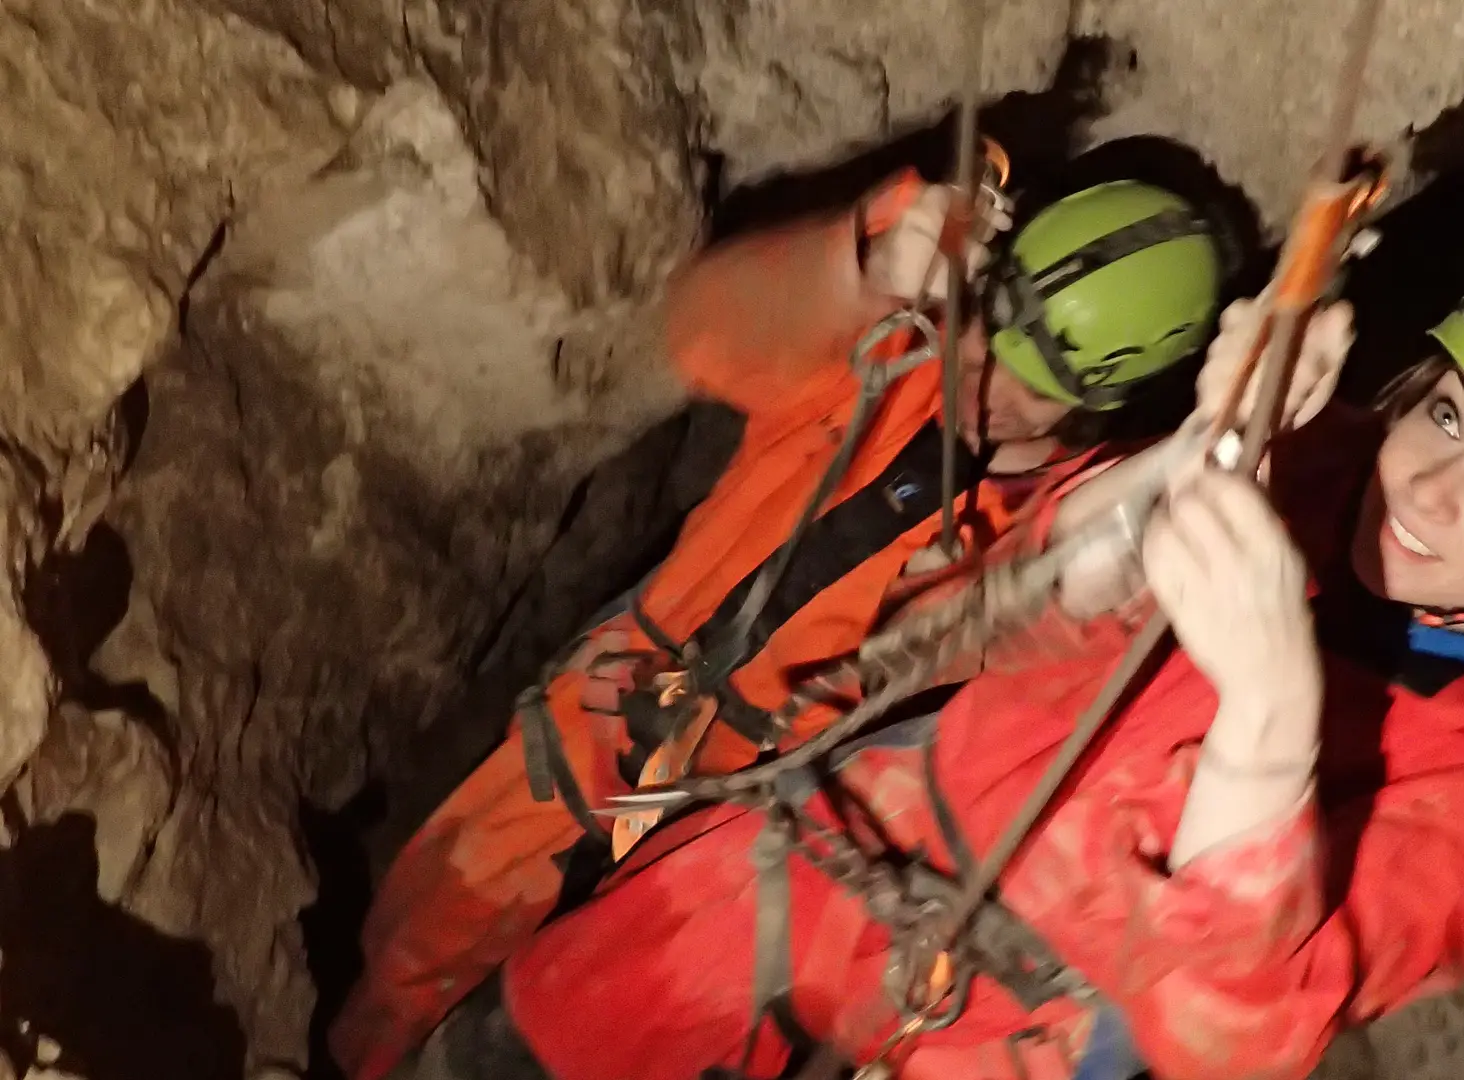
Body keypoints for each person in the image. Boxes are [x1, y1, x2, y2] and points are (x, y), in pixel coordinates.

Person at [434, 239, 1464, 1080]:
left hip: (1009, 1038)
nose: (1428, 486)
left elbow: (1234, 1034)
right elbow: (979, 616)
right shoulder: (1310, 464)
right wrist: (1201, 450)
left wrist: (1267, 729)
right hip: (819, 855)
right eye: (1447, 414)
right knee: (524, 1039)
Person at [330, 164, 1239, 1080]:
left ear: (1101, 403)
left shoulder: (1046, 513)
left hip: (749, 838)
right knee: (418, 958)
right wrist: (862, 264)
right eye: (991, 336)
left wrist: (1195, 472)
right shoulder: (880, 365)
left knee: (589, 1028)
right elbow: (704, 327)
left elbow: (1060, 602)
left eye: (1037, 386)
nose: (990, 379)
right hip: (598, 729)